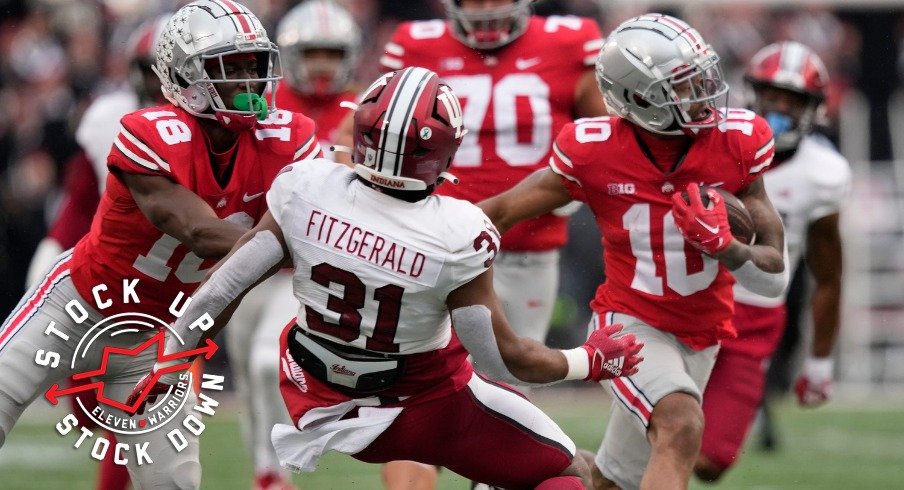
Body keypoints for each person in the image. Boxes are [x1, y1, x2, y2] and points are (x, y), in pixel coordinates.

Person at [126, 66, 644, 490]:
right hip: (420, 402)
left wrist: (170, 356)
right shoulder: (457, 231)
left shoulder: (307, 185)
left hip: (312, 386)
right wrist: (588, 360)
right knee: (569, 473)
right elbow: (499, 357)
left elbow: (226, 284)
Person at [0, 1, 320, 488]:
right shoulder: (149, 133)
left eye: (252, 65)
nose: (247, 82)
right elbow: (198, 232)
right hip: (77, 306)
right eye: (227, 67)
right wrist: (300, 249)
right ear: (183, 75)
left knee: (172, 483)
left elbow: (235, 278)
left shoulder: (285, 141)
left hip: (157, 339)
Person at [479, 13, 788, 490]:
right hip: (629, 325)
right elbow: (499, 212)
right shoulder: (593, 151)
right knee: (681, 424)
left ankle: (517, 477)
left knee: (612, 480)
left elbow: (773, 277)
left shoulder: (737, 142)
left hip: (702, 334)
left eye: (700, 76)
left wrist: (725, 248)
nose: (703, 93)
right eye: (682, 87)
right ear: (637, 97)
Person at [694, 41, 851, 482]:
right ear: (751, 93)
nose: (780, 107)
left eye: (793, 100)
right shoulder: (715, 141)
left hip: (755, 319)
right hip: (689, 301)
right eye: (772, 95)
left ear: (813, 109)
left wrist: (819, 363)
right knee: (664, 429)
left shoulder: (825, 173)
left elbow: (828, 273)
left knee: (711, 461)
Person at [222, 1, 363, 488]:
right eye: (313, 52)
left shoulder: (363, 107)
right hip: (242, 254)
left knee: (266, 362)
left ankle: (269, 475)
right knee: (246, 373)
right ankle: (265, 465)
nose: (323, 63)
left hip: (303, 267)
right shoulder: (259, 102)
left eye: (332, 52)